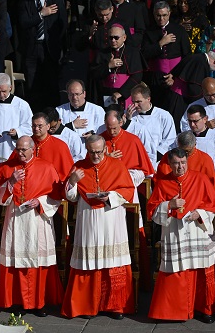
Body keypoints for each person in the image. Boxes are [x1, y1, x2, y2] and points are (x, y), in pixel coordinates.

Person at [60, 135, 135, 319]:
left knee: (113, 261)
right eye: (92, 152)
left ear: (105, 149)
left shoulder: (117, 165)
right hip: (88, 219)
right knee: (89, 261)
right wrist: (73, 180)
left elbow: (128, 190)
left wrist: (110, 197)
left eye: (99, 152)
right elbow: (70, 196)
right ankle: (86, 305)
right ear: (87, 150)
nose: (95, 156)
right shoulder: (79, 166)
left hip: (111, 218)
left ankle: (115, 307)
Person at [147, 148, 215, 322]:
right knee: (177, 271)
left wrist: (201, 214)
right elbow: (153, 211)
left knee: (202, 269)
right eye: (176, 163)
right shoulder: (163, 182)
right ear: (170, 164)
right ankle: (176, 311)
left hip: (198, 229)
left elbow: (214, 206)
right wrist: (169, 205)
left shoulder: (200, 178)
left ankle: (205, 309)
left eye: (183, 163)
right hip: (175, 231)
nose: (180, 167)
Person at [0, 136, 65, 316]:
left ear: (33, 149)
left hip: (37, 219)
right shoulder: (7, 167)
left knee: (38, 260)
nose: (20, 153)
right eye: (18, 149)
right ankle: (16, 301)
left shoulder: (46, 167)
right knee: (15, 260)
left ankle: (39, 303)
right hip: (15, 219)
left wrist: (40, 201)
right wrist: (10, 182)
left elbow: (56, 196)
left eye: (24, 149)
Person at [18, 0, 67, 110]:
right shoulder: (25, 1)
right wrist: (41, 14)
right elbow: (23, 22)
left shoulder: (55, 0)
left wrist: (57, 44)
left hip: (49, 48)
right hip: (31, 49)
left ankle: (52, 116)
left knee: (51, 83)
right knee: (32, 84)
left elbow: (62, 25)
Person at [90, 24, 146, 107]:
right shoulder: (103, 53)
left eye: (116, 37)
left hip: (127, 93)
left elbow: (137, 76)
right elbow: (94, 74)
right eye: (110, 37)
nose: (113, 40)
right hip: (106, 93)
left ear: (124, 38)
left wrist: (121, 93)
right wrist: (108, 66)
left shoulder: (133, 52)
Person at [180, 105, 215, 186]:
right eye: (189, 121)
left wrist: (208, 168)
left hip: (210, 179)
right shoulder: (183, 138)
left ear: (205, 119)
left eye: (195, 121)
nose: (192, 125)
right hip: (188, 181)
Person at [126, 83, 176, 168]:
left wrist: (153, 157)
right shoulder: (128, 115)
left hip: (157, 161)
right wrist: (127, 121)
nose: (135, 105)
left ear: (148, 99)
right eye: (133, 102)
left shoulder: (163, 115)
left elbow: (169, 139)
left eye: (138, 102)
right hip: (134, 159)